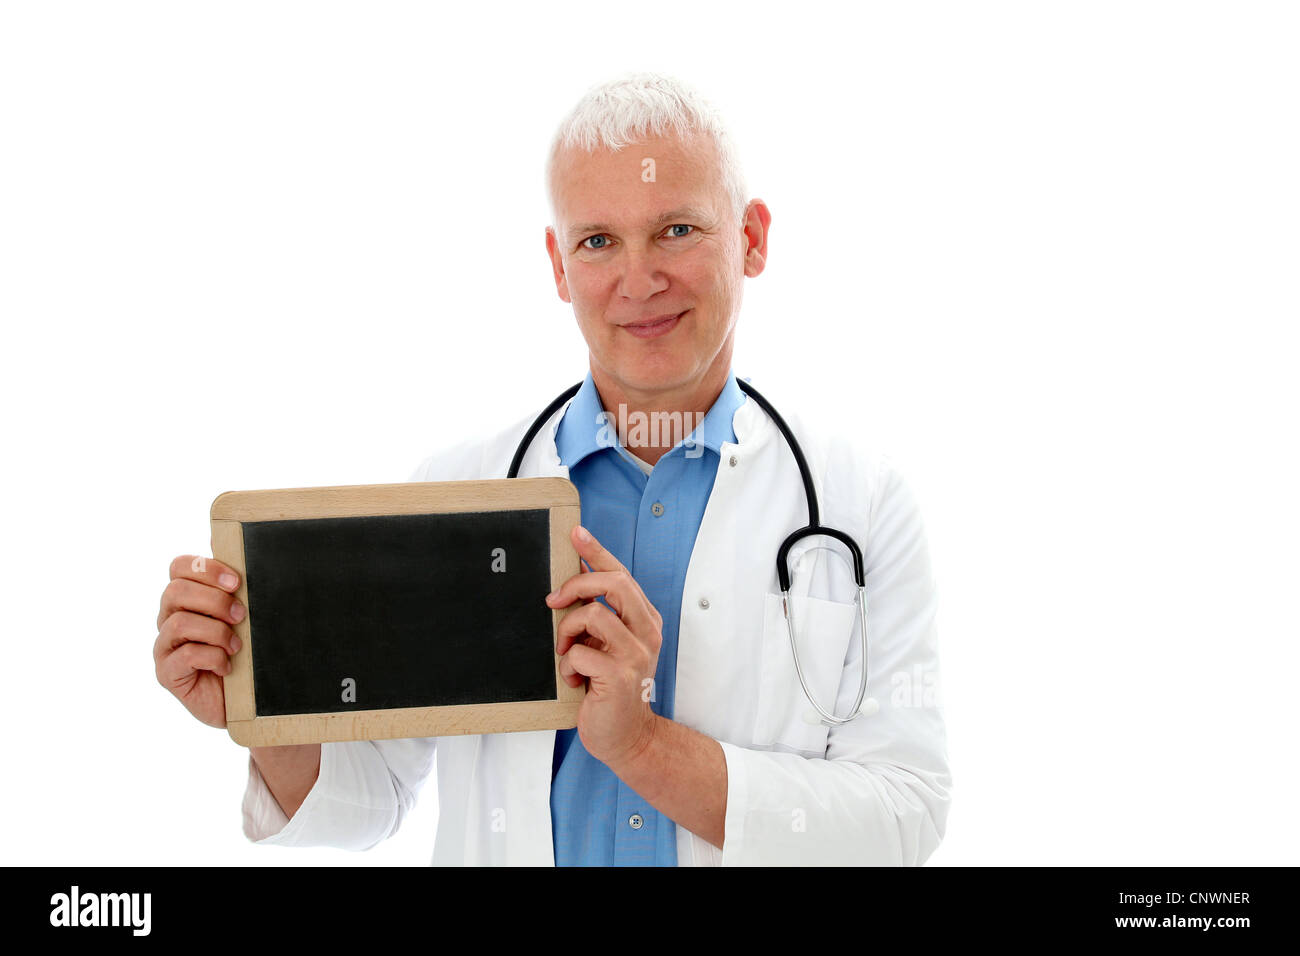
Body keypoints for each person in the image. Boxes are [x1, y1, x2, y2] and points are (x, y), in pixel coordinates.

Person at [153, 72, 952, 866]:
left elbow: (903, 818)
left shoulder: (861, 502)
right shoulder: (460, 490)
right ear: (558, 265)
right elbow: (377, 798)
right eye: (598, 240)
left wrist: (642, 746)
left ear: (752, 239)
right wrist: (263, 712)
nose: (640, 281)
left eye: (677, 229)